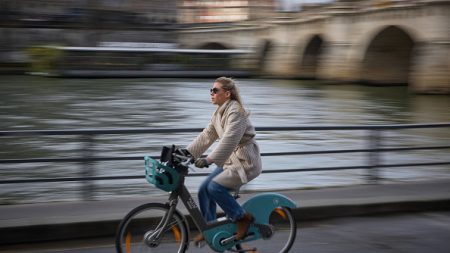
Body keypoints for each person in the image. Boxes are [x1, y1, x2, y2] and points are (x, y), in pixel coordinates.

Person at [186, 77, 262, 244]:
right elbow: (207, 135)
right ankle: (211, 229)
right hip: (231, 161)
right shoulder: (219, 112)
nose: (211, 93)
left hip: (245, 162)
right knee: (204, 189)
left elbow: (230, 140)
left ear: (227, 94)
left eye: (215, 90)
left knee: (215, 187)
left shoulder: (236, 112)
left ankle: (241, 218)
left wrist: (208, 160)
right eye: (211, 90)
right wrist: (187, 153)